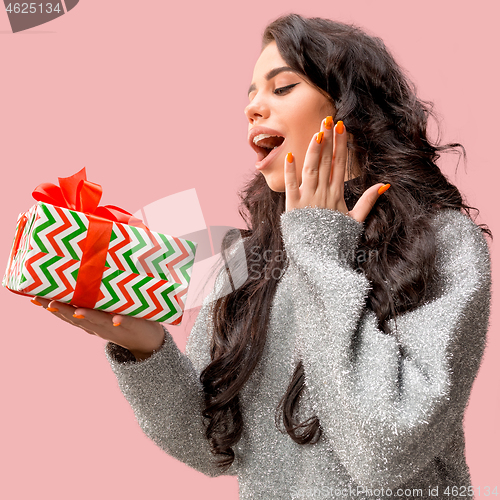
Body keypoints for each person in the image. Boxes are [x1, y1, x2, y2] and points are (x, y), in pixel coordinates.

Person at [32, 13, 492, 500]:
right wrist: (145, 347)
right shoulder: (248, 259)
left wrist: (319, 245)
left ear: (352, 110)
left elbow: (384, 445)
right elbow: (214, 445)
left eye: (282, 87)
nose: (253, 108)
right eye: (250, 94)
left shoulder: (442, 241)